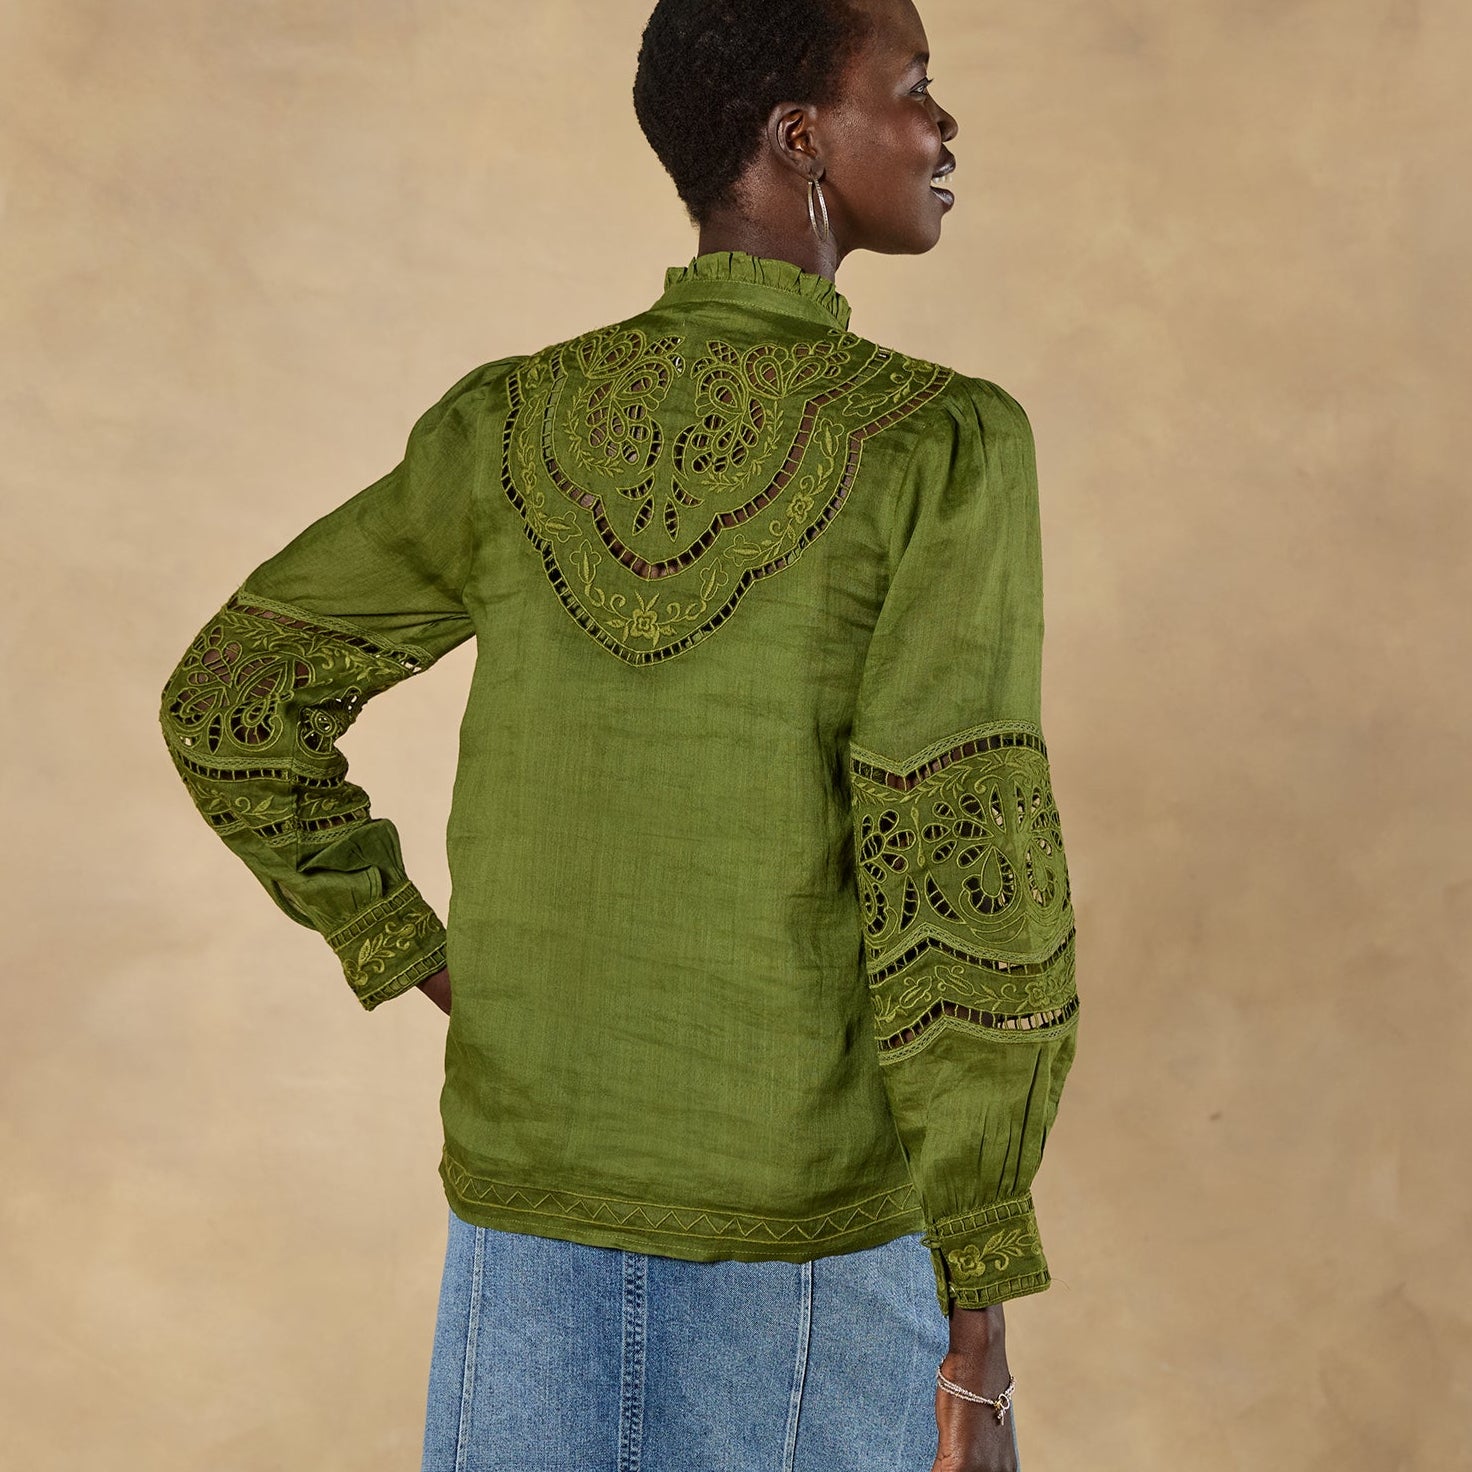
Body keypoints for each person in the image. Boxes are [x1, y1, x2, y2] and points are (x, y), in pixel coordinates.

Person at [156, 0, 1080, 1466]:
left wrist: (426, 957)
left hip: (524, 1224)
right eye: (912, 87)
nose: (941, 124)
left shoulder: (505, 425)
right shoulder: (937, 445)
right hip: (811, 1246)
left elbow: (230, 701)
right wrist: (978, 1311)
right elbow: (961, 878)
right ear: (800, 137)